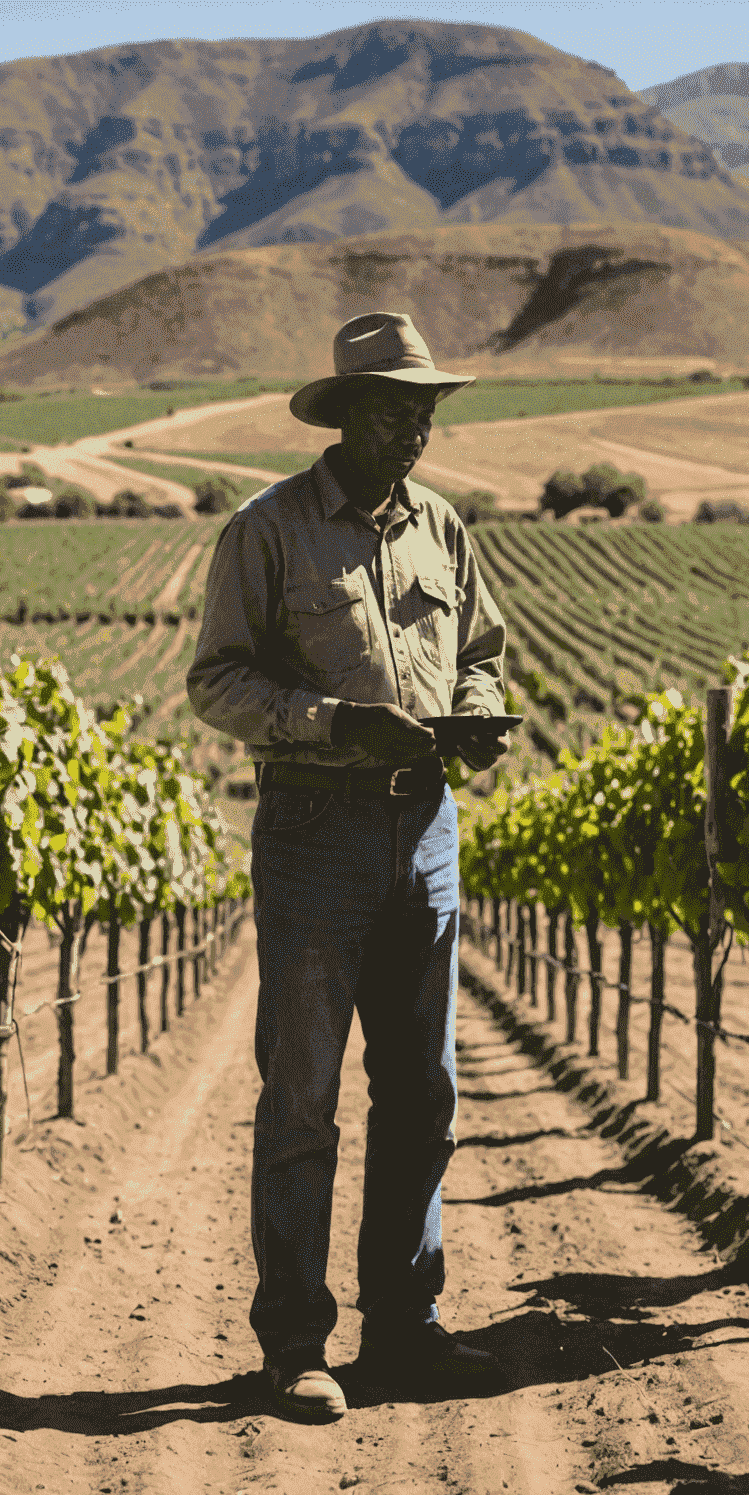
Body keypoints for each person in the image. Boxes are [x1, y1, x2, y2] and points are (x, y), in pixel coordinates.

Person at [186, 312, 510, 1422]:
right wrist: (332, 725)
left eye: (426, 408)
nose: (416, 426)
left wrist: (475, 714)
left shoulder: (444, 529)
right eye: (394, 407)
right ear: (343, 415)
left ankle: (407, 1328)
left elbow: (480, 653)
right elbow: (217, 683)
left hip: (426, 830)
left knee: (423, 1093)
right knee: (304, 1097)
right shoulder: (268, 530)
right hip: (316, 833)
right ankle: (294, 1345)